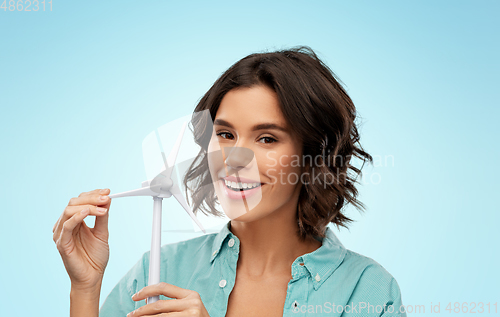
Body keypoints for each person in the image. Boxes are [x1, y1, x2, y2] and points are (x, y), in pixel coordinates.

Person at [53, 46, 406, 317]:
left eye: (267, 138)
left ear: (313, 154)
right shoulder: (158, 270)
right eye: (224, 134)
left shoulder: (367, 292)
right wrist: (85, 287)